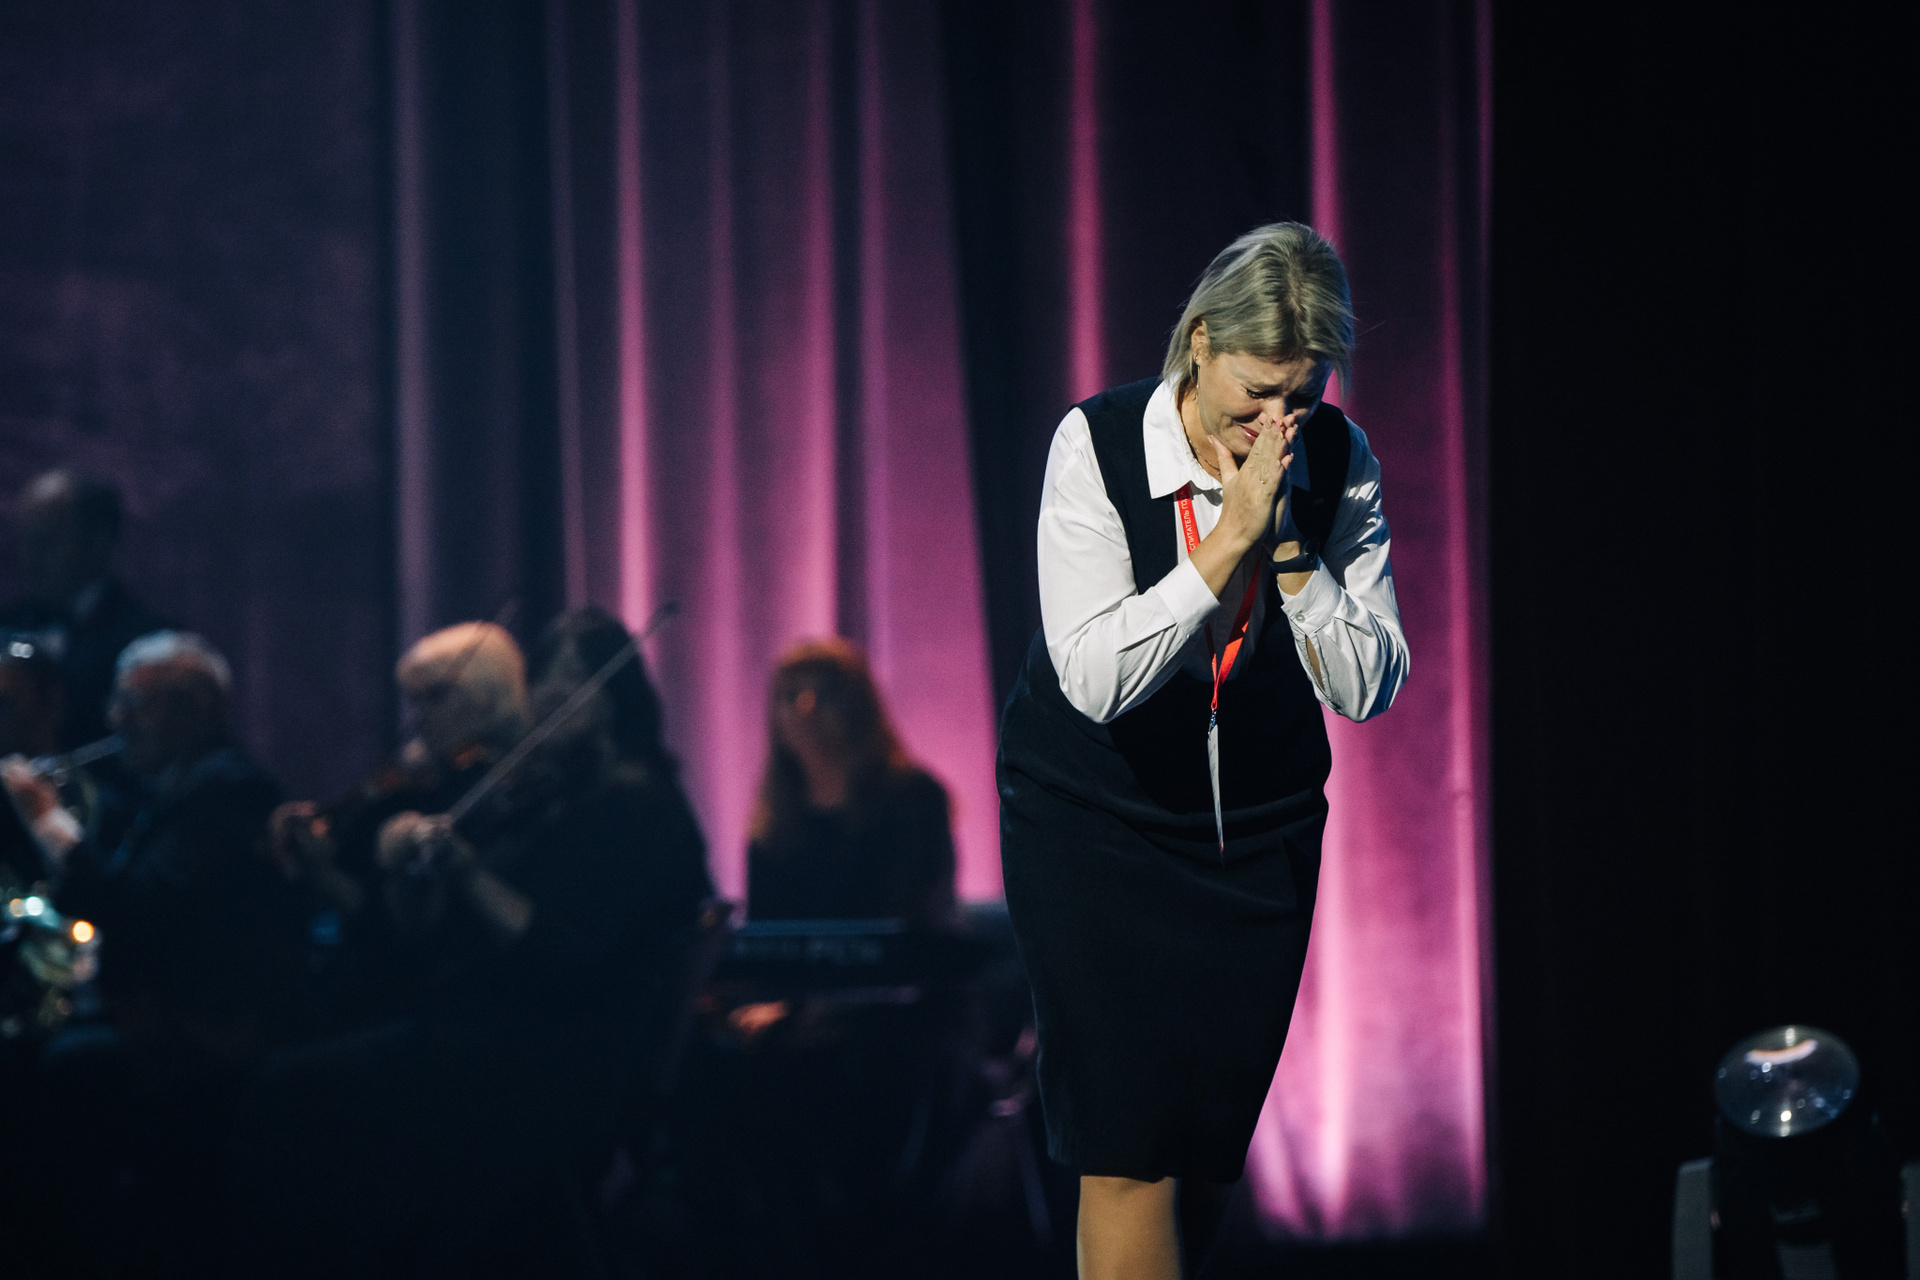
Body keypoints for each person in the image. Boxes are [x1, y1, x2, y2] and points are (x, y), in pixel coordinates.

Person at [996, 223, 1408, 1279]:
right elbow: (1094, 677)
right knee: (1127, 1150)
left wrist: (1289, 549)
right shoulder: (1097, 446)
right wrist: (1224, 541)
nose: (1276, 425)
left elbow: (1368, 685)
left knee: (1201, 1156)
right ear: (1200, 345)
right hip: (1094, 822)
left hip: (1253, 837)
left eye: (1300, 398)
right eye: (1255, 394)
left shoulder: (1340, 461)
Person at [234, 611, 712, 1278]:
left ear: (613, 698)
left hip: (542, 1071)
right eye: (543, 678)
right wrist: (414, 879)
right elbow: (430, 941)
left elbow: (565, 958)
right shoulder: (557, 799)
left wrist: (466, 872)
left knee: (285, 1100)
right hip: (487, 1043)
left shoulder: (638, 811)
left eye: (572, 681)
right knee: (292, 1086)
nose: (548, 696)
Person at [746, 637, 957, 929]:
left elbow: (917, 919)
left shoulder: (914, 797)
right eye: (791, 695)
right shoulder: (773, 821)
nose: (806, 710)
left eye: (825, 694)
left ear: (858, 708)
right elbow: (764, 931)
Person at [0, 469, 170, 751]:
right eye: (26, 541)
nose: (30, 559)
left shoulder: (148, 641)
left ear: (97, 540)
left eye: (46, 542)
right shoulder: (8, 624)